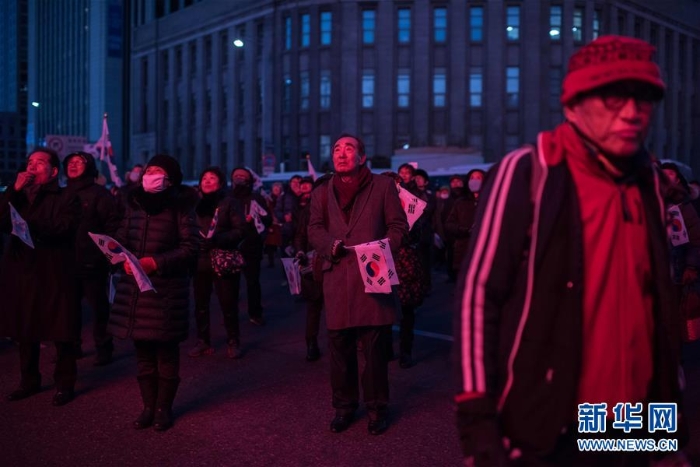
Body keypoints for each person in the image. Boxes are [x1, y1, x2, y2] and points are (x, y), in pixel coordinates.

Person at [455, 35, 687, 465]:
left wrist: (666, 436)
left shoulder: (648, 181)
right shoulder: (530, 170)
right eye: (615, 96)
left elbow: (657, 304)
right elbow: (478, 293)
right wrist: (477, 419)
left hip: (632, 419)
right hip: (554, 421)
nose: (633, 112)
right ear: (573, 104)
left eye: (645, 98)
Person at [309, 133, 408, 436]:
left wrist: (382, 247)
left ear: (362, 157)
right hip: (337, 277)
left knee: (376, 350)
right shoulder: (322, 192)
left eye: (348, 149)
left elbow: (398, 226)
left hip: (373, 277)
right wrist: (330, 245)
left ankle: (377, 407)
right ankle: (344, 406)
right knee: (339, 350)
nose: (341, 153)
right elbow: (313, 229)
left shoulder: (382, 186)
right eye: (337, 149)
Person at [108, 154, 199, 432]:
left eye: (158, 171)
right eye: (149, 170)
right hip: (135, 291)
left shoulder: (182, 208)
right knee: (143, 352)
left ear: (169, 179)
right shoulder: (132, 204)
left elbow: (190, 247)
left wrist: (156, 262)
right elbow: (122, 237)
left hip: (165, 291)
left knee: (166, 353)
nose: (151, 174)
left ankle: (163, 409)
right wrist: (115, 252)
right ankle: (147, 406)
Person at [0, 148, 81, 406]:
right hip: (23, 270)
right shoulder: (18, 195)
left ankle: (64, 383)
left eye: (40, 163)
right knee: (26, 328)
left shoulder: (66, 196)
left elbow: (65, 227)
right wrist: (13, 189)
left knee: (61, 329)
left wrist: (30, 226)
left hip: (54, 270)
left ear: (54, 171)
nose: (32, 167)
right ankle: (29, 380)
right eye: (29, 162)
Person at [64, 151, 121, 366]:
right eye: (70, 161)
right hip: (66, 262)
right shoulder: (63, 193)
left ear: (89, 167)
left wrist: (107, 258)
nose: (74, 164)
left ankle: (104, 347)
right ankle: (73, 346)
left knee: (98, 308)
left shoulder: (100, 194)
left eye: (79, 162)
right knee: (69, 308)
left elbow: (112, 226)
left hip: (92, 262)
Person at [189, 166, 245, 359]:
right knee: (200, 304)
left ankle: (233, 340)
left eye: (212, 178)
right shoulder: (196, 205)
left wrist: (218, 239)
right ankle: (203, 341)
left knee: (228, 302)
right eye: (204, 178)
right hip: (200, 261)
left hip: (223, 259)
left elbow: (240, 231)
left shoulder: (229, 203)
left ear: (220, 183)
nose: (207, 181)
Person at [661, 162, 700, 342]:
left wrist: (691, 266)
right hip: (653, 270)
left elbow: (695, 238)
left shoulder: (684, 205)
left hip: (676, 269)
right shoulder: (650, 199)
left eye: (670, 173)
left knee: (672, 318)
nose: (666, 177)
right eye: (663, 173)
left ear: (677, 178)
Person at [230, 167, 272, 326]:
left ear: (249, 180)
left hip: (251, 246)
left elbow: (267, 219)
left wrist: (255, 220)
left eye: (243, 176)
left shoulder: (256, 198)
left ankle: (255, 312)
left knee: (253, 282)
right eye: (236, 176)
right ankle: (231, 313)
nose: (240, 178)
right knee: (230, 284)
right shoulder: (227, 198)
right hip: (231, 246)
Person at [293, 176, 324, 362]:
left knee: (338, 307)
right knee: (314, 305)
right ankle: (311, 344)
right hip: (312, 263)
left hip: (334, 264)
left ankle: (342, 343)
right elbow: (300, 235)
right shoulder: (309, 210)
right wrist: (300, 252)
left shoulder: (342, 209)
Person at [444, 169, 486, 274]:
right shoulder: (460, 202)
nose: (474, 180)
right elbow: (449, 224)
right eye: (472, 178)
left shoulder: (491, 200)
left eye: (478, 178)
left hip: (485, 249)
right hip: (464, 248)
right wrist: (465, 230)